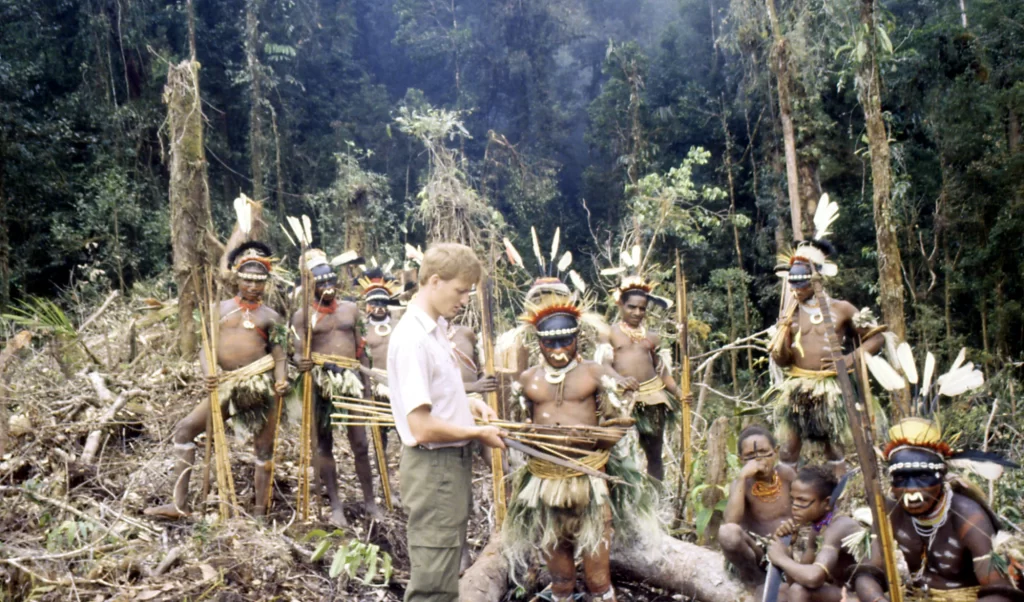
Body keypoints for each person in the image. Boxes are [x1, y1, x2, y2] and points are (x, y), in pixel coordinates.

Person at [502, 264, 651, 602]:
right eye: (550, 343)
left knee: (598, 575)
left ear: (577, 338)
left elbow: (617, 424)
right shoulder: (527, 380)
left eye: (566, 342)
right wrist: (525, 436)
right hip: (545, 481)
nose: (558, 350)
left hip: (589, 479)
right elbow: (518, 426)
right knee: (560, 574)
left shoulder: (594, 374)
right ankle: (563, 593)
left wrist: (605, 436)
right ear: (538, 341)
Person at [386, 243, 506, 602]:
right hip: (433, 466)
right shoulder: (412, 340)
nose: (465, 299)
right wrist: (478, 432)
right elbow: (421, 426)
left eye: (469, 291)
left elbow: (435, 393)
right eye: (460, 290)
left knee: (445, 570)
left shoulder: (436, 330)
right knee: (433, 586)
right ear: (434, 281)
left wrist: (469, 404)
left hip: (449, 467)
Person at [145, 241, 289, 519]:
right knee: (186, 429)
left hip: (261, 386)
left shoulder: (272, 317)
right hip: (225, 384)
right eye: (247, 279)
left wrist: (281, 381)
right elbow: (205, 348)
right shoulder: (219, 309)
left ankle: (260, 513)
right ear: (237, 277)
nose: (253, 286)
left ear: (266, 283)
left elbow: (280, 356)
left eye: (259, 281)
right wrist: (209, 371)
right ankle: (179, 504)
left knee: (263, 447)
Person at [767, 195, 885, 470]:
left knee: (834, 448)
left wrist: (850, 359)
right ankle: (790, 501)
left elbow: (876, 338)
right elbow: (782, 361)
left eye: (803, 282)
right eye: (793, 283)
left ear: (817, 277)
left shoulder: (841, 309)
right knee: (788, 450)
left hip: (831, 386)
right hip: (797, 385)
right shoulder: (789, 314)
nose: (797, 288)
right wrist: (782, 340)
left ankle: (838, 498)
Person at [852, 415, 1022, 602]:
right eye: (901, 478)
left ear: (941, 477)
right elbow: (868, 573)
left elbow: (999, 592)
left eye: (923, 477)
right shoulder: (891, 512)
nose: (911, 491)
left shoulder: (968, 516)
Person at [291, 249, 379, 524]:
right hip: (321, 384)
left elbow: (360, 350)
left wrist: (366, 389)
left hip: (350, 381)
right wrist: (300, 363)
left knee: (361, 444)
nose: (328, 289)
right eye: (322, 284)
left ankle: (369, 502)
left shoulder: (350, 310)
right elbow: (295, 351)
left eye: (331, 283)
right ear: (310, 286)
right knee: (324, 446)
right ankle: (336, 506)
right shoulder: (301, 316)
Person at [596, 252, 681, 481]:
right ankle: (624, 498)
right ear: (621, 305)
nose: (637, 313)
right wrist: (619, 380)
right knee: (618, 453)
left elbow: (663, 373)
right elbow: (603, 366)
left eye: (642, 308)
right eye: (632, 307)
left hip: (653, 396)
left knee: (654, 453)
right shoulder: (610, 333)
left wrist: (679, 393)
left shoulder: (653, 337)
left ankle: (656, 500)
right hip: (622, 398)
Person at [718, 425, 796, 592]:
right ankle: (755, 580)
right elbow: (731, 521)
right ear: (740, 459)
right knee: (727, 533)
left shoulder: (786, 474)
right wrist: (742, 477)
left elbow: (806, 506)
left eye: (763, 451)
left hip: (792, 548)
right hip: (761, 553)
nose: (758, 460)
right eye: (750, 456)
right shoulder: (741, 484)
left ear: (775, 451)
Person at [766, 465, 861, 601]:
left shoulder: (839, 526)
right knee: (784, 590)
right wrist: (789, 548)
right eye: (793, 499)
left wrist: (781, 558)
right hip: (840, 592)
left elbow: (813, 578)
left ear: (826, 503)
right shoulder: (816, 529)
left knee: (798, 591)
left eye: (802, 500)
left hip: (860, 596)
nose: (794, 507)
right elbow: (798, 579)